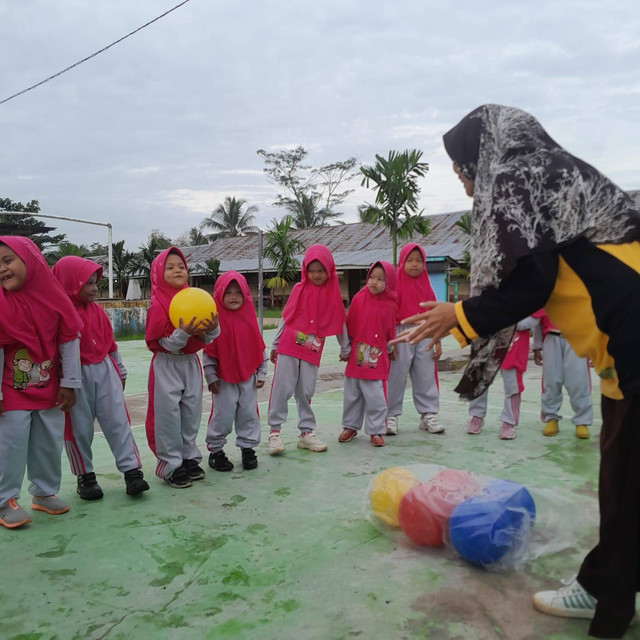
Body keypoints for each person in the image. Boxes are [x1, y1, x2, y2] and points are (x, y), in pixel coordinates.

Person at [392, 104, 640, 639]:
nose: (463, 183)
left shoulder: (524, 182)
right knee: (620, 482)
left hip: (635, 345)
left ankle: (608, 610)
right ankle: (600, 587)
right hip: (623, 357)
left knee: (628, 495)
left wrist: (456, 315)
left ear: (483, 160)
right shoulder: (549, 175)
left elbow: (529, 283)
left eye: (462, 170)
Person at [0, 236, 83, 529]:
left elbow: (69, 340)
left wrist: (70, 383)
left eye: (8, 260)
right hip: (11, 392)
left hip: (50, 388)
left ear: (30, 261)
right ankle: (4, 499)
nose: (2, 269)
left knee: (48, 443)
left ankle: (44, 492)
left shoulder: (55, 299)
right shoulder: (2, 304)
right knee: (10, 446)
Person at [51, 256, 149, 499]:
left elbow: (111, 344)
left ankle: (132, 472)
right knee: (78, 428)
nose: (95, 288)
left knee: (118, 421)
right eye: (88, 283)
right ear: (70, 282)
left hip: (105, 371)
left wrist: (120, 370)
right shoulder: (57, 314)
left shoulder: (97, 311)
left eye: (96, 283)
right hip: (74, 377)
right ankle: (85, 476)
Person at [145, 247, 219, 489]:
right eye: (170, 267)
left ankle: (189, 459)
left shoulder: (195, 298)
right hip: (167, 363)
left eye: (181, 266)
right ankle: (169, 465)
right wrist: (182, 334)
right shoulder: (158, 304)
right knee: (168, 416)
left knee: (191, 414)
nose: (177, 270)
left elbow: (206, 339)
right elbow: (160, 343)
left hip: (190, 363)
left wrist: (212, 329)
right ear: (158, 273)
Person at [267, 244, 347, 455]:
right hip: (289, 346)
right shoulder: (298, 290)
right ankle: (274, 432)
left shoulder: (333, 295)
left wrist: (345, 348)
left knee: (306, 391)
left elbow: (340, 322)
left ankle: (306, 433)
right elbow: (286, 317)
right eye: (311, 270)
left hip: (312, 350)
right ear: (305, 270)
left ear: (329, 271)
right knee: (281, 389)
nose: (316, 275)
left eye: (320, 270)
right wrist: (275, 344)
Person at [203, 271, 268, 472]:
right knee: (222, 415)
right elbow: (209, 353)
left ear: (246, 295)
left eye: (238, 292)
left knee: (248, 413)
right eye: (228, 292)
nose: (233, 296)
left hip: (248, 378)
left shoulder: (249, 319)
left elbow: (259, 349)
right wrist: (211, 376)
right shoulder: (215, 322)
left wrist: (262, 372)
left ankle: (248, 449)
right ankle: (216, 452)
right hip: (223, 381)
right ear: (219, 295)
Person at [338, 261, 397, 447]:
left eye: (380, 279)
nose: (374, 282)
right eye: (372, 277)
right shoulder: (359, 298)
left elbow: (390, 329)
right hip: (357, 354)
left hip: (377, 356)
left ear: (389, 282)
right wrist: (346, 349)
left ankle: (376, 430)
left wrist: (390, 347)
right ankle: (350, 426)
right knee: (352, 393)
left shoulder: (391, 303)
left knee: (376, 396)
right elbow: (351, 325)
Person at [387, 243, 443, 436]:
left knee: (426, 374)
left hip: (425, 331)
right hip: (400, 331)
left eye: (419, 260)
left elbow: (435, 313)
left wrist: (437, 339)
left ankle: (428, 414)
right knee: (396, 374)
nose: (414, 264)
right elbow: (387, 313)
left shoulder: (427, 285)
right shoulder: (393, 284)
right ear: (401, 262)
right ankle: (390, 415)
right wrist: (389, 340)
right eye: (409, 260)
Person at [466, 317, 538, 439]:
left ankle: (508, 423)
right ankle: (476, 416)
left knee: (512, 385)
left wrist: (505, 320)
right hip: (488, 341)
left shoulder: (526, 297)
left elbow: (533, 319)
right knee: (480, 379)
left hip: (514, 345)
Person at [531, 308, 593, 439]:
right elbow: (539, 322)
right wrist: (537, 346)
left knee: (579, 381)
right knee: (551, 380)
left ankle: (582, 421)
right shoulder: (547, 291)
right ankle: (550, 417)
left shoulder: (584, 289)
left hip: (577, 338)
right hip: (552, 338)